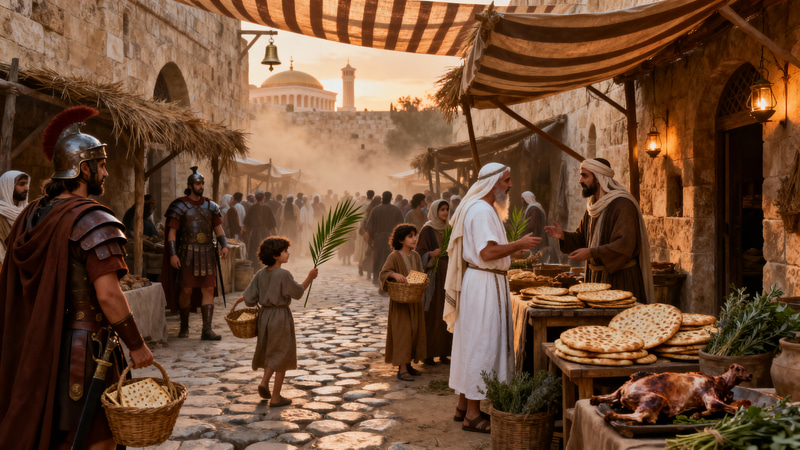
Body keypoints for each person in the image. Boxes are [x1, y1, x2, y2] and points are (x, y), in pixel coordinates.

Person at [0, 106, 153, 448]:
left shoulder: (30, 216)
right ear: (84, 168)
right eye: (102, 165)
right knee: (98, 439)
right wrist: (137, 345)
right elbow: (109, 295)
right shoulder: (92, 220)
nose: (106, 173)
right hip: (85, 352)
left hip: (38, 346)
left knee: (55, 435)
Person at [444, 162, 540, 433]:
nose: (510, 185)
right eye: (506, 181)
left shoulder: (481, 208)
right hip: (484, 286)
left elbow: (488, 250)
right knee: (481, 346)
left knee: (472, 343)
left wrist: (512, 252)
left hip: (481, 282)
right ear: (493, 183)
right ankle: (473, 416)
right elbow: (486, 253)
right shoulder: (482, 210)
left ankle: (463, 406)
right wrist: (518, 244)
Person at [544, 158, 653, 302]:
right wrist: (563, 236)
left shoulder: (623, 205)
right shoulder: (593, 206)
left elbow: (624, 245)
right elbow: (583, 238)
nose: (580, 181)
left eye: (585, 176)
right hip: (596, 280)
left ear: (598, 179)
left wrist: (592, 252)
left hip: (620, 281)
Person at [243, 236, 318, 407]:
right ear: (276, 255)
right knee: (282, 354)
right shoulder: (284, 274)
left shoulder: (260, 274)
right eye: (285, 251)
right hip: (280, 316)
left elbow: (249, 299)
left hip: (264, 317)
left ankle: (264, 382)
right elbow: (297, 292)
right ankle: (276, 397)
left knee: (271, 351)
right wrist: (310, 277)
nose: (288, 254)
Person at [162, 166, 229, 340]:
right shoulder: (180, 205)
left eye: (202, 183)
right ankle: (184, 327)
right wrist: (173, 254)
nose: (201, 186)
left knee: (208, 289)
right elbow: (172, 233)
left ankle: (207, 330)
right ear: (190, 186)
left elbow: (218, 228)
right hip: (187, 254)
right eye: (198, 184)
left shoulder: (211, 206)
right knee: (186, 291)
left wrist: (224, 245)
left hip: (207, 253)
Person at [379, 224, 427, 381]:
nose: (414, 239)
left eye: (415, 235)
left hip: (414, 300)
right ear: (401, 240)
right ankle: (402, 369)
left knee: (413, 332)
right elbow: (384, 273)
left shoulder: (416, 256)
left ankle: (409, 364)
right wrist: (394, 274)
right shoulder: (394, 257)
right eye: (410, 236)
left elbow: (420, 273)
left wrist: (422, 280)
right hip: (400, 304)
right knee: (403, 334)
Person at [416, 199, 452, 366]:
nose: (445, 212)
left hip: (448, 274)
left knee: (448, 311)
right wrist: (431, 254)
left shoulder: (450, 228)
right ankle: (429, 354)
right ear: (435, 211)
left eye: (447, 209)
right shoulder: (427, 229)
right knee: (433, 313)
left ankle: (445, 352)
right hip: (434, 276)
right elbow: (419, 252)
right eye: (442, 209)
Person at [366, 191, 404, 292]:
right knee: (390, 261)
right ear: (391, 198)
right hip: (392, 239)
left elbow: (369, 226)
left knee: (379, 259)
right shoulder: (396, 210)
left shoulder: (376, 210)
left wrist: (371, 238)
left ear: (383, 198)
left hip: (378, 238)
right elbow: (402, 225)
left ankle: (379, 281)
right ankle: (387, 282)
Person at [0, 170, 29, 264]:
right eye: (22, 184)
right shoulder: (1, 213)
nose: (27, 188)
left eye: (27, 184)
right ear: (8, 186)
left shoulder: (28, 211)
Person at [242, 191, 277, 268]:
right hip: (265, 232)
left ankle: (256, 266)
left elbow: (246, 223)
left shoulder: (252, 208)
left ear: (256, 198)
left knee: (255, 249)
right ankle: (265, 265)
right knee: (265, 248)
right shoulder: (267, 208)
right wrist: (274, 234)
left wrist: (245, 233)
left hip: (255, 233)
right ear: (264, 198)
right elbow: (272, 223)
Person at [521, 191, 548, 256]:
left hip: (535, 237)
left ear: (526, 198)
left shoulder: (534, 209)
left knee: (534, 256)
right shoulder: (532, 208)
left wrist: (522, 228)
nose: (522, 201)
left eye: (522, 199)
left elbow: (532, 225)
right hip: (533, 237)